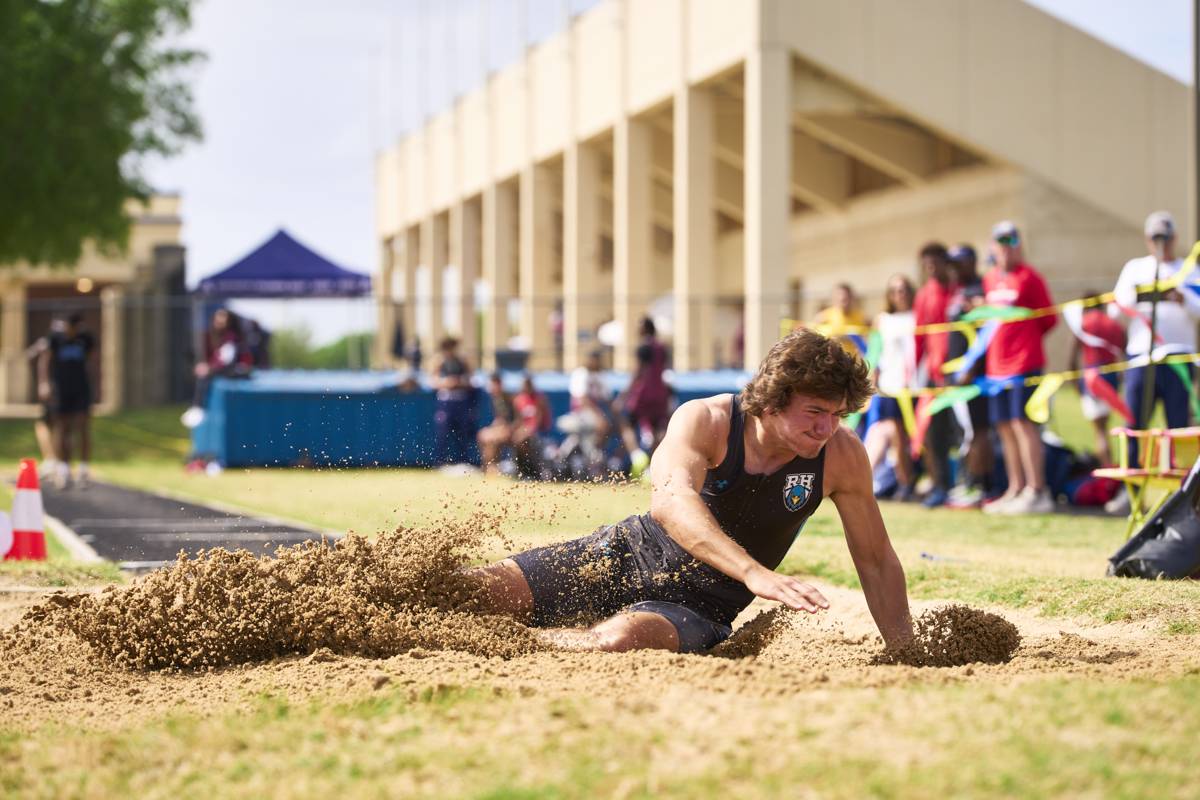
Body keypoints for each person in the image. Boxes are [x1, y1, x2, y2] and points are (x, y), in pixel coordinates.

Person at [468, 329, 912, 654]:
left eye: (837, 414)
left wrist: (904, 650)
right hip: (623, 554)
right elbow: (669, 501)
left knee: (616, 641)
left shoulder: (840, 454)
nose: (826, 427)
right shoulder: (708, 420)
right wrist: (753, 571)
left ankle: (507, 646)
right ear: (774, 399)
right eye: (815, 411)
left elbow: (874, 559)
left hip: (700, 605)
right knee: (475, 591)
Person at [981, 221, 1057, 515]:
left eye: (1012, 240)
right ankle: (1015, 488)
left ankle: (1037, 490)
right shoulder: (990, 280)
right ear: (993, 246)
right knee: (1004, 428)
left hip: (1024, 363)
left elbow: (1049, 320)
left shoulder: (1030, 278)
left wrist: (1023, 340)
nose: (1006, 246)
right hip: (996, 368)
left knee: (1023, 424)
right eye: (1001, 240)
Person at [1110, 211, 1200, 453]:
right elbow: (1114, 311)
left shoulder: (1190, 270)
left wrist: (1183, 299)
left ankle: (1181, 484)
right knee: (1135, 424)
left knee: (1178, 426)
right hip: (1142, 356)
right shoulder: (1135, 268)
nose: (1161, 244)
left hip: (1178, 358)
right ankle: (1133, 484)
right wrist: (1139, 295)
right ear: (1147, 240)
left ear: (1175, 238)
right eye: (1156, 238)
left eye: (1166, 238)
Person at [945, 245, 994, 508]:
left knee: (976, 431)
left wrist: (971, 368)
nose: (954, 268)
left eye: (959, 262)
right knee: (965, 431)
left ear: (972, 262)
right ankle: (971, 482)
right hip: (956, 374)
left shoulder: (979, 291)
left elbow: (986, 333)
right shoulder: (957, 292)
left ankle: (979, 484)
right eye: (952, 263)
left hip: (973, 375)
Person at [863, 275, 918, 500]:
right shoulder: (883, 319)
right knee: (894, 434)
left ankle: (916, 481)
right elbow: (875, 353)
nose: (899, 294)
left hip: (915, 386)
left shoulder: (917, 317)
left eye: (903, 289)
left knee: (915, 437)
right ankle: (904, 482)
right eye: (894, 290)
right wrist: (872, 379)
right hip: (890, 387)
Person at [912, 242, 958, 508]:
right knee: (932, 432)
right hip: (934, 375)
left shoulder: (957, 290)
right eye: (926, 265)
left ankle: (970, 484)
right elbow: (918, 338)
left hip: (960, 373)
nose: (931, 269)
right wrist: (915, 372)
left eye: (935, 263)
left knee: (962, 432)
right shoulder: (924, 295)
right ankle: (940, 485)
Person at [37, 313, 95, 489]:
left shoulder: (85, 339)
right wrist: (44, 383)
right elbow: (45, 360)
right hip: (61, 389)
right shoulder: (56, 339)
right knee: (62, 428)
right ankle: (63, 468)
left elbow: (91, 358)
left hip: (81, 389)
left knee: (82, 427)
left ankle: (83, 469)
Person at [1068, 292, 1126, 466]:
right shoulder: (1114, 324)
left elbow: (1072, 358)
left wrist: (1075, 383)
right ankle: (1111, 465)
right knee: (1105, 425)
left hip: (1092, 377)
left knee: (1099, 430)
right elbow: (1124, 349)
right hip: (1111, 377)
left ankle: (1107, 469)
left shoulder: (1083, 323)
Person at [182, 308, 253, 428]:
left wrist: (208, 368)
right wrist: (203, 366)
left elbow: (226, 360)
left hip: (236, 369)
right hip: (222, 369)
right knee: (203, 376)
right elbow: (211, 357)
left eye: (223, 318)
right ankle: (197, 407)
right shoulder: (210, 336)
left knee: (206, 376)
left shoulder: (232, 337)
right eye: (217, 317)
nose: (219, 321)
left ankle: (198, 407)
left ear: (229, 321)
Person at [618, 317, 671, 478]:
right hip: (660, 393)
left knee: (626, 423)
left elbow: (638, 372)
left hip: (643, 394)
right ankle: (652, 466)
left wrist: (623, 395)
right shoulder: (662, 348)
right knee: (657, 429)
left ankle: (637, 455)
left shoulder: (643, 347)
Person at [555, 349, 615, 477]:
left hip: (593, 416)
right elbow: (582, 400)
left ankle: (593, 462)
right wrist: (599, 417)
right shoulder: (581, 373)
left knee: (600, 429)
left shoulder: (600, 375)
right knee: (587, 434)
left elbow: (608, 399)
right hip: (579, 414)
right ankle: (588, 463)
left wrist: (617, 416)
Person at [431, 336, 475, 466]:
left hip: (461, 400)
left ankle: (463, 461)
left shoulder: (462, 361)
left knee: (463, 432)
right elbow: (433, 381)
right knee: (442, 432)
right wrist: (447, 382)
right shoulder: (439, 361)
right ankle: (440, 461)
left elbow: (471, 380)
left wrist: (460, 382)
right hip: (446, 401)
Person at [512, 374, 552, 478]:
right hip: (525, 431)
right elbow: (519, 421)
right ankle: (520, 470)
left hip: (540, 432)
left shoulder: (539, 399)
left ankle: (530, 471)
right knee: (515, 438)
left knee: (522, 440)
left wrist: (524, 432)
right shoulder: (519, 399)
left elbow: (538, 422)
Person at [477, 372, 516, 476]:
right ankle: (488, 466)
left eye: (492, 384)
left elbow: (516, 419)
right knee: (483, 434)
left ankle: (492, 466)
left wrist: (506, 428)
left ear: (499, 384)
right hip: (502, 428)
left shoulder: (507, 398)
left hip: (512, 430)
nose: (490, 387)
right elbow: (499, 419)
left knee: (491, 438)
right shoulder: (496, 398)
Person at [813, 283, 868, 355]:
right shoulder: (824, 317)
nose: (843, 300)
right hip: (831, 360)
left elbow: (868, 339)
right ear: (834, 298)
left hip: (852, 361)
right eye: (841, 298)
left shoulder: (861, 317)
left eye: (846, 298)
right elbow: (815, 338)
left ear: (851, 298)